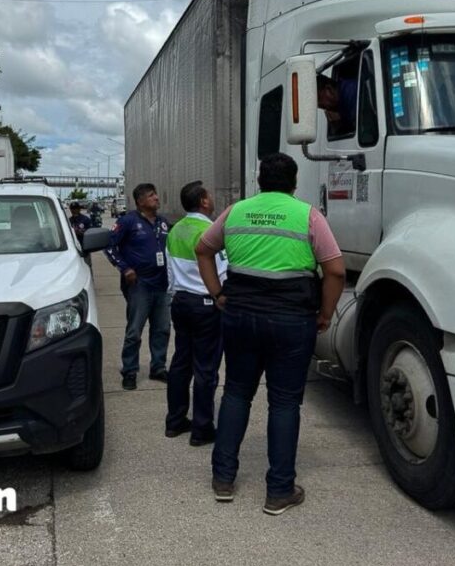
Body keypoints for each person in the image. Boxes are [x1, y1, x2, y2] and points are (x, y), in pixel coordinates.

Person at [196, 153, 345, 515]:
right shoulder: (307, 215)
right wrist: (324, 314)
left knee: (235, 393)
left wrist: (218, 294)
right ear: (294, 183)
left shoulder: (235, 212)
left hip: (240, 317)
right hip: (291, 322)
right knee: (284, 402)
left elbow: (203, 249)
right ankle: (279, 490)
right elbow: (336, 271)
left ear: (259, 181)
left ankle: (223, 480)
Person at [164, 181, 227, 446]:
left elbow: (168, 270)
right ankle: (202, 429)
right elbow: (222, 271)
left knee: (180, 363)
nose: (212, 199)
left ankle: (175, 421)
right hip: (205, 304)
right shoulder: (209, 231)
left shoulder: (175, 230)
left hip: (180, 302)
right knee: (206, 369)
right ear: (203, 201)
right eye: (210, 195)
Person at [105, 183, 172, 390]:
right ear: (140, 201)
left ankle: (158, 367)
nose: (157, 198)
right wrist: (125, 268)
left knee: (162, 329)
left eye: (156, 194)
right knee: (134, 330)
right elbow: (109, 246)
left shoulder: (163, 222)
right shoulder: (128, 221)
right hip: (139, 285)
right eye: (152, 196)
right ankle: (130, 371)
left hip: (162, 284)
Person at [317, 73, 358, 139]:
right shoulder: (340, 105)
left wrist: (339, 122)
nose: (319, 105)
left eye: (319, 98)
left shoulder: (350, 93)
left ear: (329, 89)